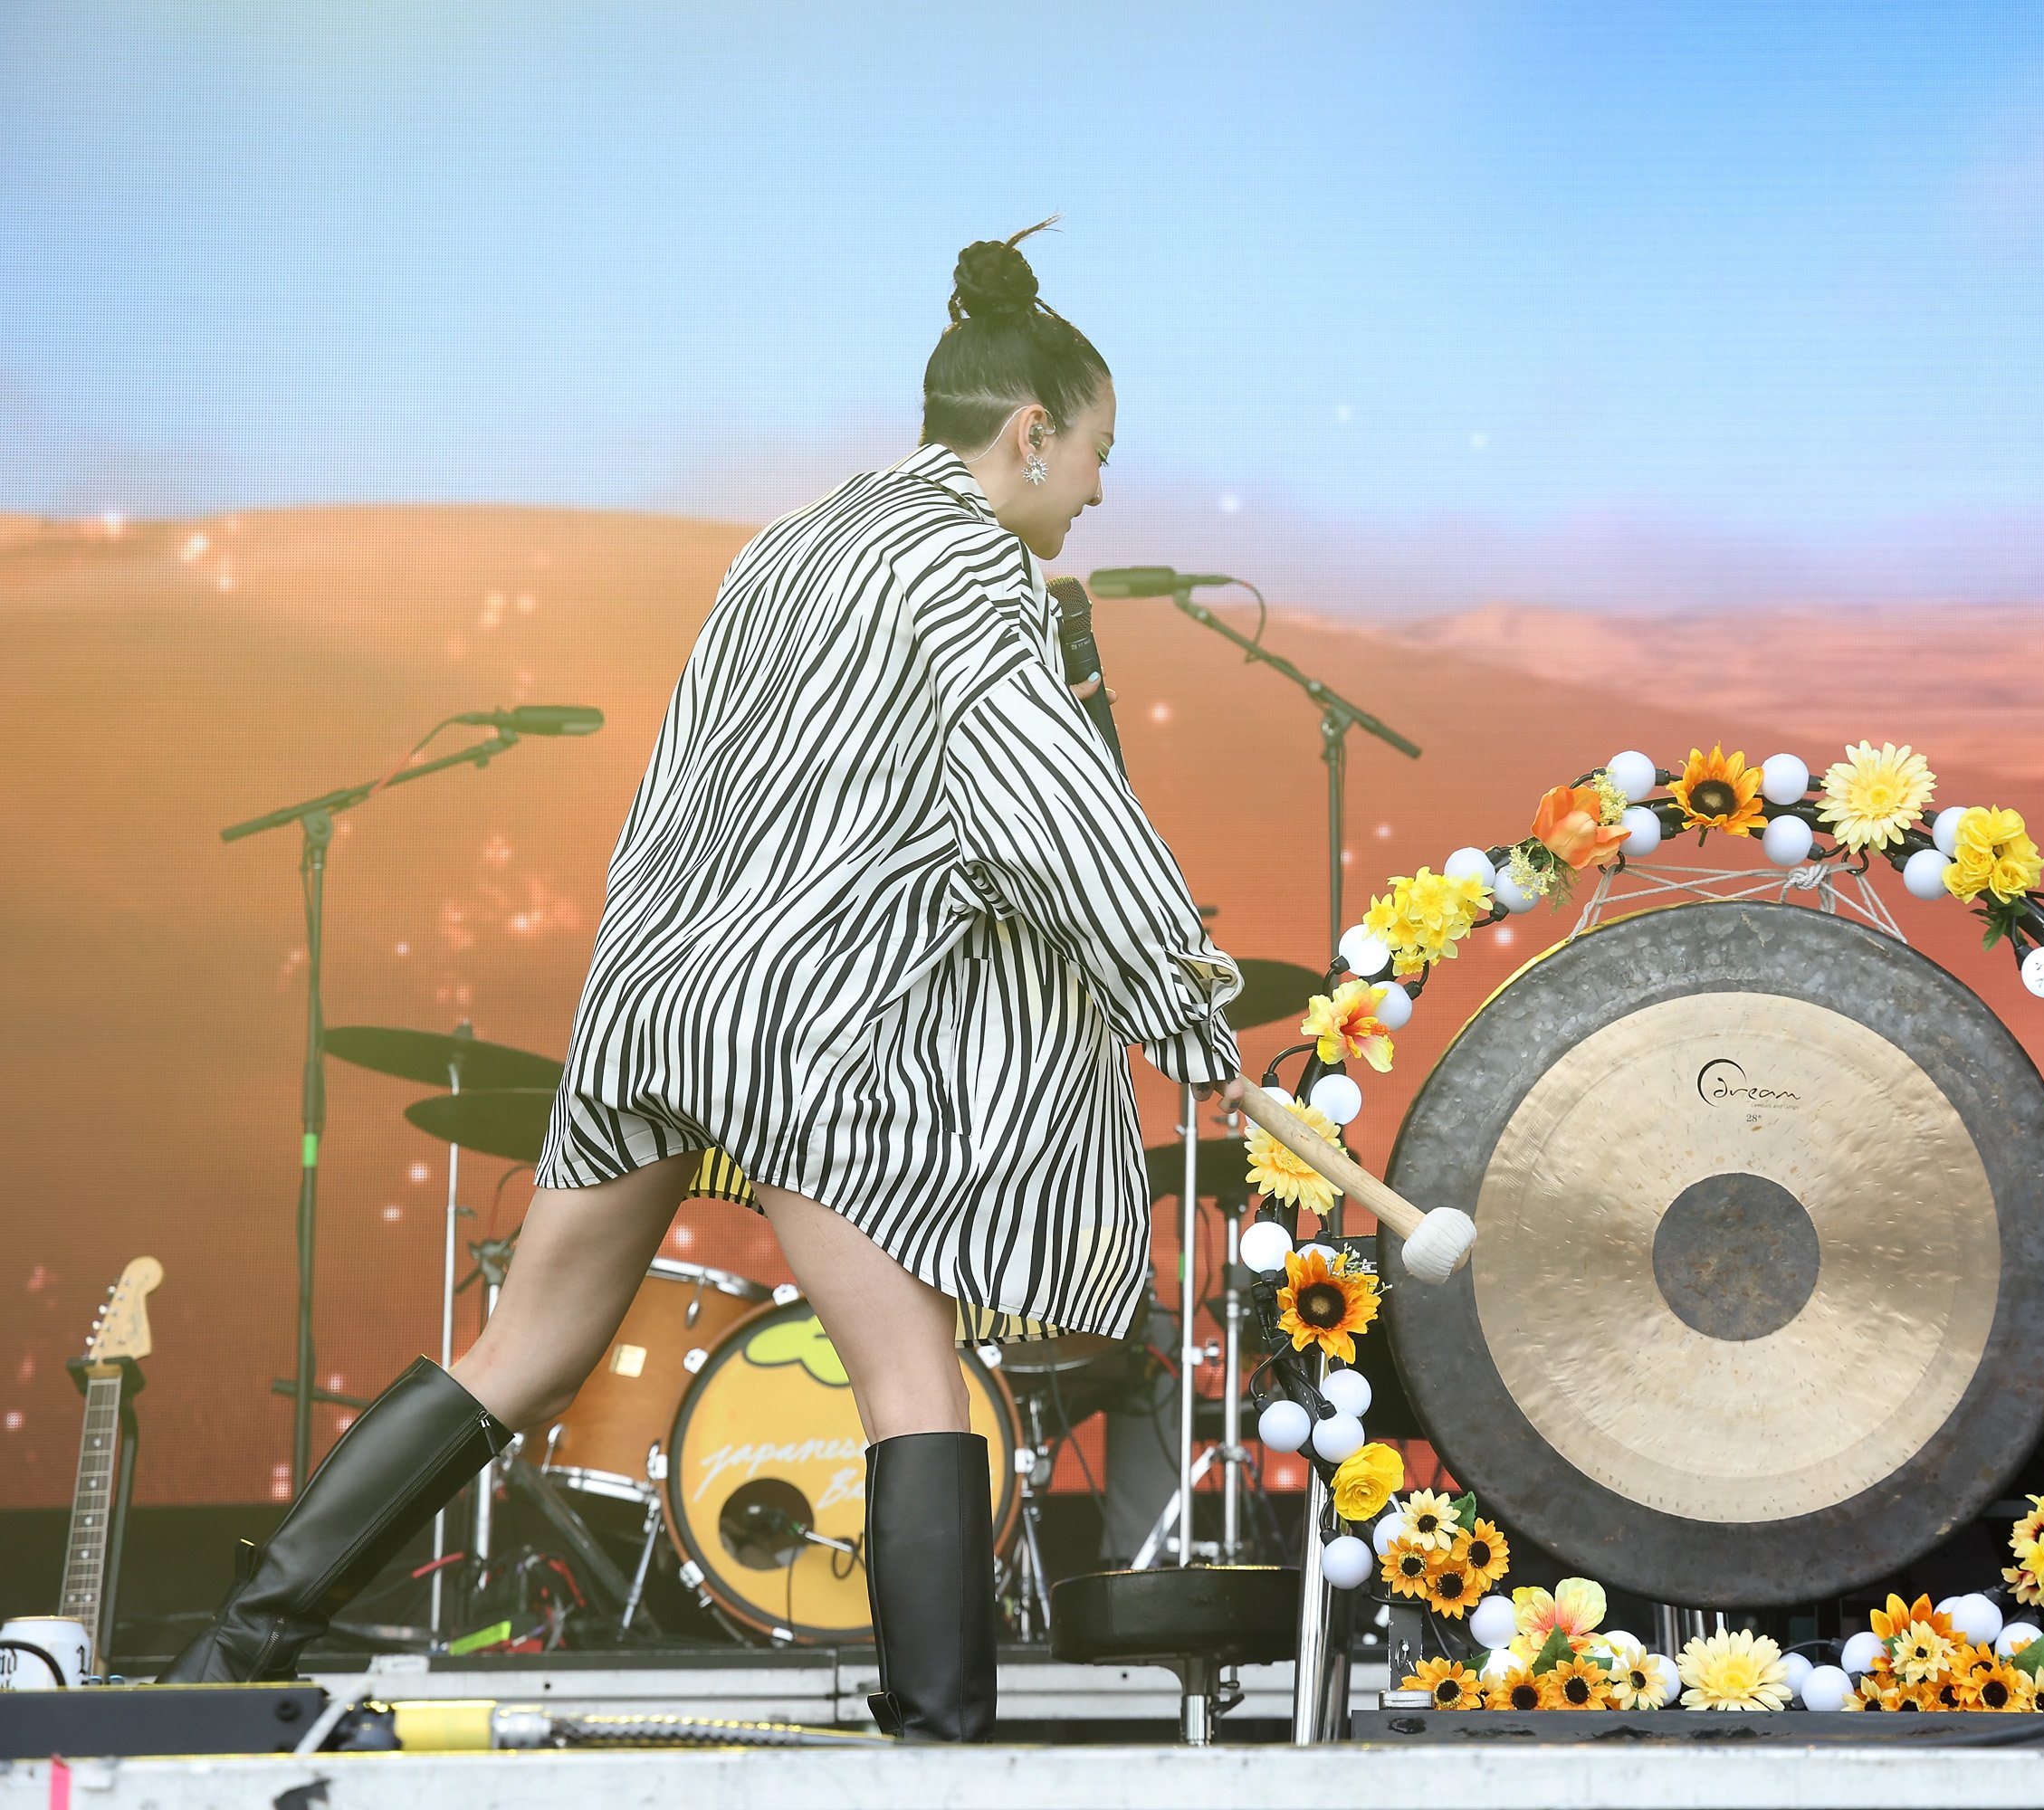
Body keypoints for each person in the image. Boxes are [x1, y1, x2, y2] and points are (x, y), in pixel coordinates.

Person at [162, 224, 1244, 1742]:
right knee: (915, 1382)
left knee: (525, 1350)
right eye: (1099, 453)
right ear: (1029, 431)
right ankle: (942, 1747)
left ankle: (235, 1653)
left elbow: (699, 784)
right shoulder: (969, 570)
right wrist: (1177, 992)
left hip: (659, 1002)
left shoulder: (784, 543)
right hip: (802, 1026)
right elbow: (1046, 805)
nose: (1101, 491)